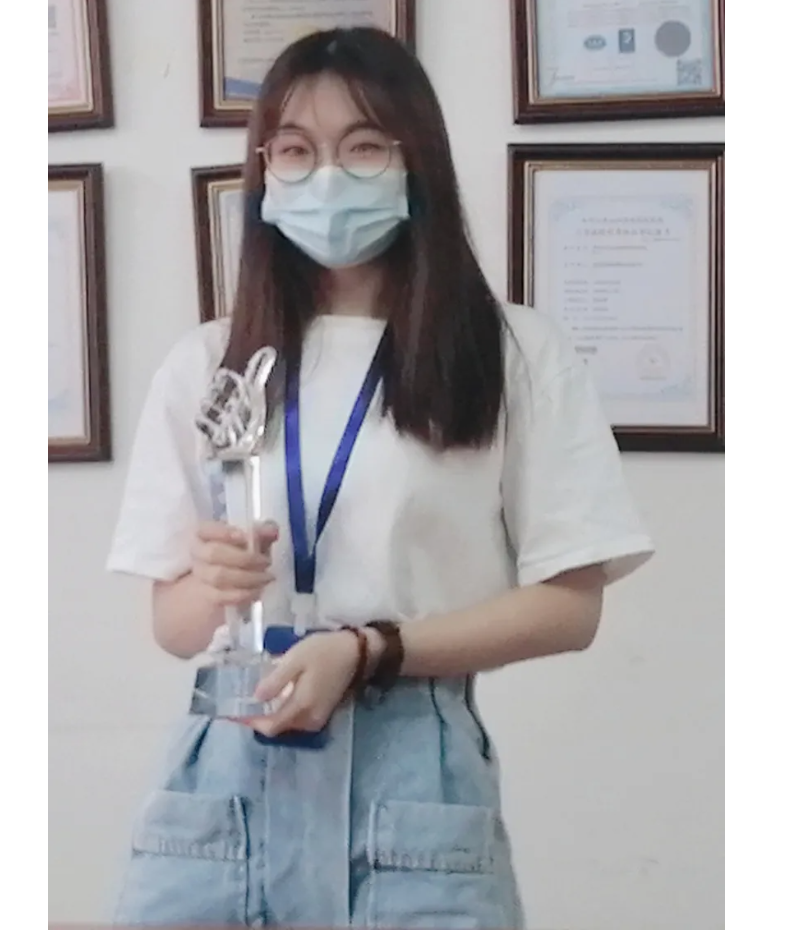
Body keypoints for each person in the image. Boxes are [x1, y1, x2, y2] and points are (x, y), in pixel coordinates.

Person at [107, 27, 654, 930]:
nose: (327, 176)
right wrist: (214, 583)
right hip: (224, 773)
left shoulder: (512, 354)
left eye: (363, 147)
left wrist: (369, 650)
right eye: (295, 150)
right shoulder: (209, 362)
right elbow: (173, 627)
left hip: (412, 769)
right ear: (265, 173)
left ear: (416, 161)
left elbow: (571, 605)